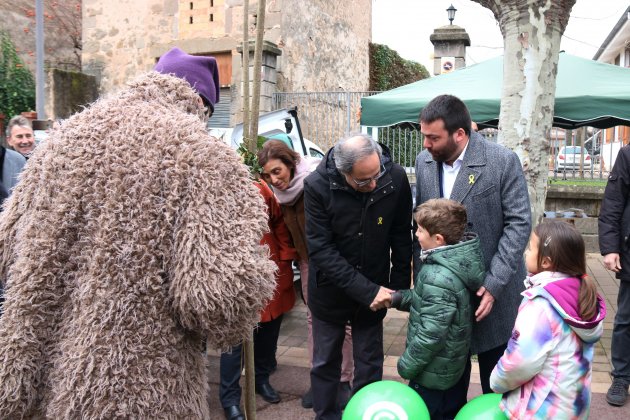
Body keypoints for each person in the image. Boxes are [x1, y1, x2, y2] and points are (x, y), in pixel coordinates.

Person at [0, 47, 277, 418]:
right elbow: (216, 298)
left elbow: (7, 250)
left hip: (39, 377)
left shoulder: (62, 140)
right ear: (202, 103)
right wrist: (259, 272)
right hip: (138, 387)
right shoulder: (202, 155)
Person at [414, 94, 531, 394]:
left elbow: (518, 224)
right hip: (445, 303)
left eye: (433, 138)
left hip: (494, 298)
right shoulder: (424, 162)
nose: (426, 144)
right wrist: (422, 283)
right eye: (424, 136)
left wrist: (493, 284)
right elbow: (422, 224)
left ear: (460, 134)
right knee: (443, 395)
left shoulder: (502, 161)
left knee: (500, 394)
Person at [304, 132, 413, 419]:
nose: (375, 184)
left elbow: (402, 233)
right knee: (325, 362)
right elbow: (321, 250)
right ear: (343, 174)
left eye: (377, 174)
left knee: (370, 363)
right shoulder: (316, 186)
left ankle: (364, 414)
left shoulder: (395, 177)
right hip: (330, 292)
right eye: (364, 181)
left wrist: (398, 288)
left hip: (375, 289)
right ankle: (326, 415)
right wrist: (368, 291)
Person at [257, 137, 355, 409]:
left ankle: (345, 380)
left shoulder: (315, 181)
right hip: (307, 262)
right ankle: (321, 379)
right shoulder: (281, 196)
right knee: (314, 321)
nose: (274, 179)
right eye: (267, 175)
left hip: (334, 260)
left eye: (277, 171)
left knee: (342, 322)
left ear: (291, 163)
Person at [490, 221, 606, 419]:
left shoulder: (540, 305)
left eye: (530, 248)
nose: (526, 252)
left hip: (541, 410)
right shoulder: (583, 293)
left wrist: (496, 381)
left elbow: (520, 362)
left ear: (546, 262)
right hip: (573, 407)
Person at [390, 198, 485, 419]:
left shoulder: (438, 275)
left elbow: (431, 334)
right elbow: (434, 305)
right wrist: (396, 298)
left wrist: (407, 365)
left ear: (438, 239)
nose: (416, 234)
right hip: (451, 368)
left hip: (431, 374)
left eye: (420, 230)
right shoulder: (455, 263)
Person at [219, 179, 297, 420]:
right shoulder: (218, 189)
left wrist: (284, 257)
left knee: (269, 331)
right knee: (233, 341)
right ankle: (230, 398)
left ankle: (261, 379)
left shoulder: (260, 187)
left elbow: (278, 221)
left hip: (268, 265)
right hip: (234, 271)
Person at [599, 143, 630, 406]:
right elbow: (613, 202)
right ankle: (621, 377)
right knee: (626, 321)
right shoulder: (628, 154)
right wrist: (610, 248)